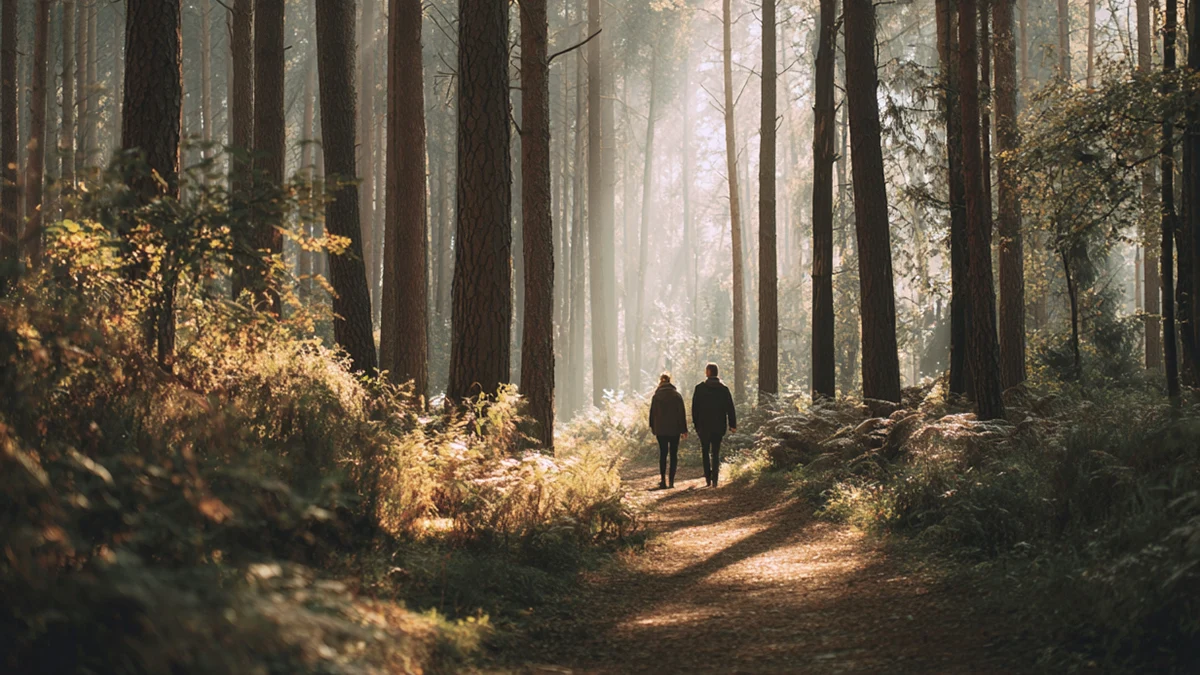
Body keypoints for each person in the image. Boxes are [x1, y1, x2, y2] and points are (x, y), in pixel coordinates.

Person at [691, 362, 736, 487]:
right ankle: (715, 478)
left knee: (705, 451)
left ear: (707, 373)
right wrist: (732, 424)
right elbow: (730, 408)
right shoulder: (723, 389)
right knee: (715, 452)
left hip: (703, 426)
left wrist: (696, 424)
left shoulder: (699, 388)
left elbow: (695, 409)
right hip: (718, 426)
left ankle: (708, 478)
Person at [648, 372, 687, 489]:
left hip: (661, 430)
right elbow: (682, 414)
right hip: (674, 429)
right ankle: (671, 481)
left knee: (663, 454)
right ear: (670, 381)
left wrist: (653, 427)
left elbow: (652, 414)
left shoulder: (656, 396)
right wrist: (684, 429)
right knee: (673, 454)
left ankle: (662, 480)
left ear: (660, 381)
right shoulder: (676, 395)